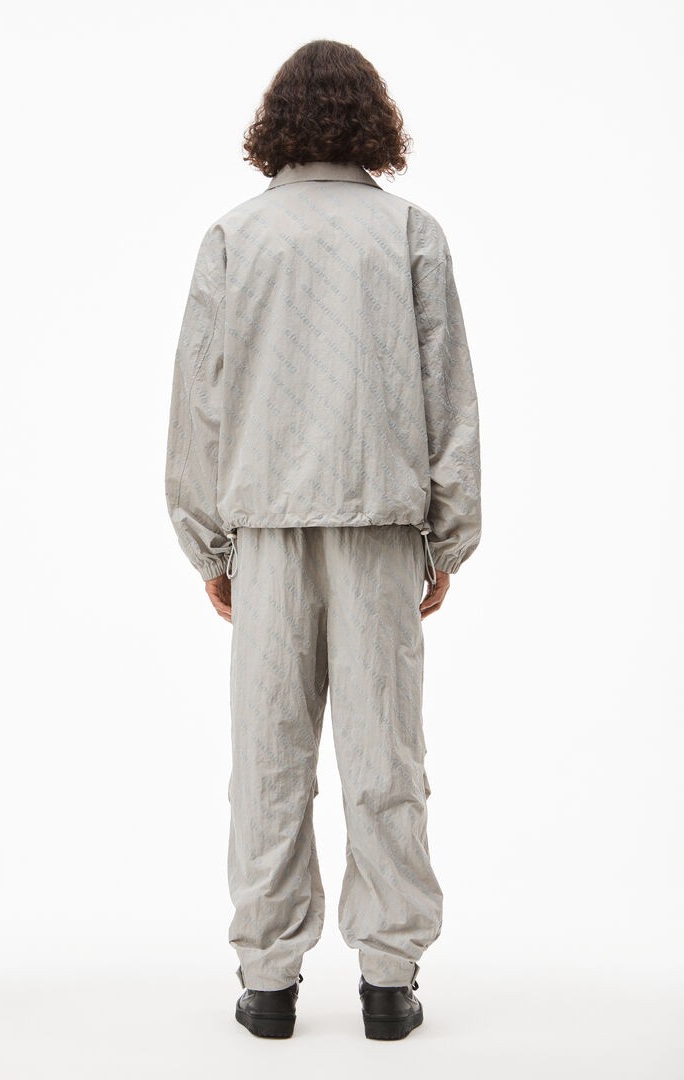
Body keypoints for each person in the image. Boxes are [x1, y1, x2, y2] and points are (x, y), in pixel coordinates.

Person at [164, 38, 482, 1041]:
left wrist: (210, 546)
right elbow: (447, 394)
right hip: (381, 526)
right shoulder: (411, 233)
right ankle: (389, 980)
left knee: (269, 756)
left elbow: (199, 401)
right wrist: (447, 536)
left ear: (278, 122)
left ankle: (268, 982)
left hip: (265, 528)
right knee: (385, 755)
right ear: (372, 120)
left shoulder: (235, 236)